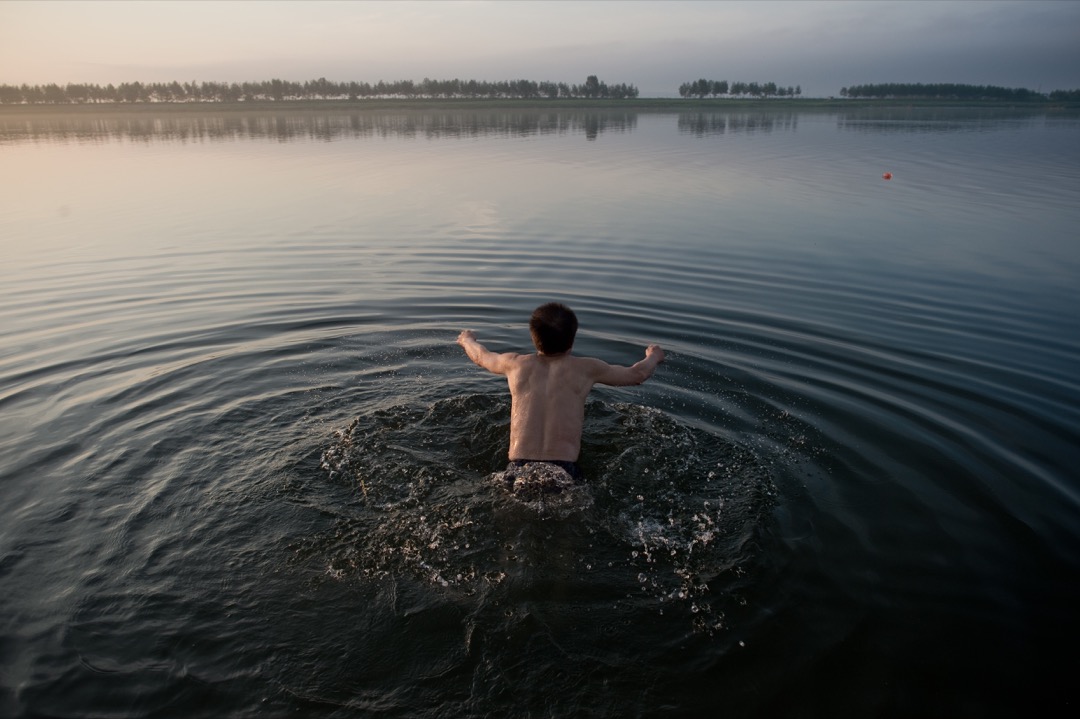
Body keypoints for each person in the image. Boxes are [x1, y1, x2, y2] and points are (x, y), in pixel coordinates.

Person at [457, 302, 665, 481]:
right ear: (572, 340)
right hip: (564, 472)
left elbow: (481, 357)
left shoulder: (515, 364)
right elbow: (636, 375)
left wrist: (467, 340)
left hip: (518, 470)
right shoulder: (587, 368)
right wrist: (653, 355)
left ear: (533, 337)